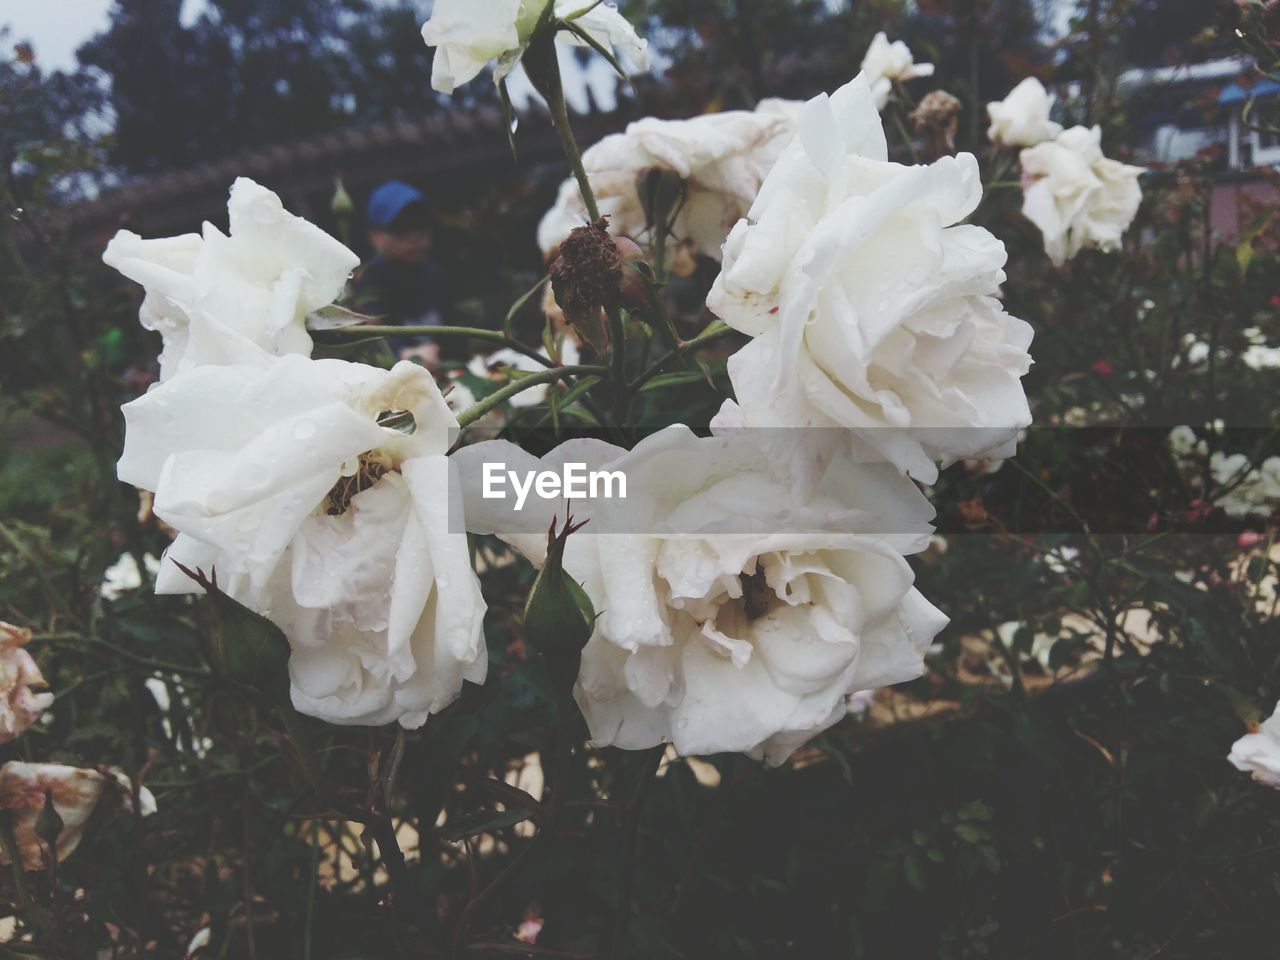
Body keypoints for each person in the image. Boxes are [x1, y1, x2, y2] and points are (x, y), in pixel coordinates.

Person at [350, 180, 449, 365]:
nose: (413, 236)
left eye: (420, 224)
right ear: (375, 237)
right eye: (400, 226)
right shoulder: (366, 288)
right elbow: (374, 346)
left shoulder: (438, 275)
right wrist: (405, 355)